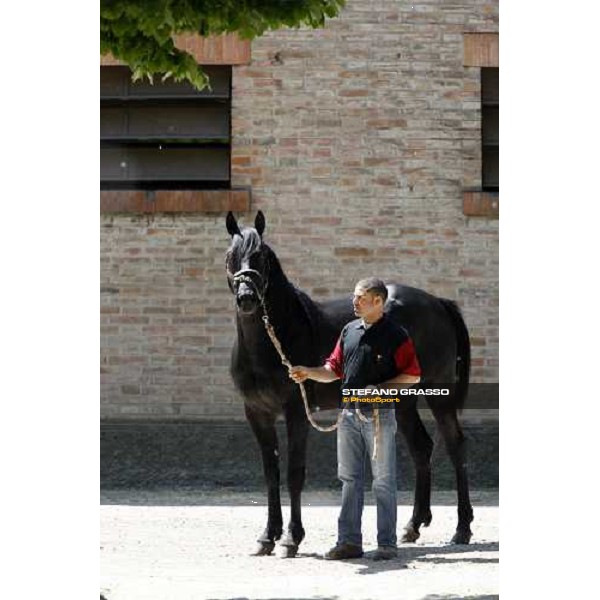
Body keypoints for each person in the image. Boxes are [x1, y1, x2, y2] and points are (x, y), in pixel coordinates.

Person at [289, 277, 421, 561]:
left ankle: (387, 544)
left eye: (360, 297)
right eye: (355, 296)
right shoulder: (348, 331)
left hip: (379, 416)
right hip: (347, 413)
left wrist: (381, 389)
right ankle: (349, 542)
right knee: (349, 478)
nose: (354, 301)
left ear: (378, 301)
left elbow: (413, 375)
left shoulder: (397, 334)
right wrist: (308, 372)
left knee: (383, 481)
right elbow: (332, 369)